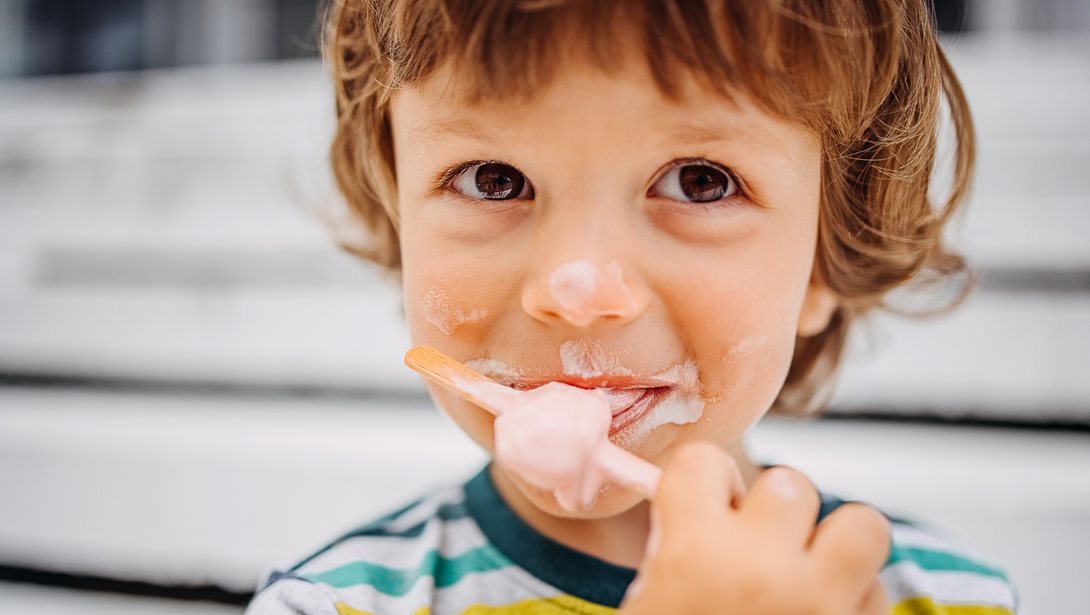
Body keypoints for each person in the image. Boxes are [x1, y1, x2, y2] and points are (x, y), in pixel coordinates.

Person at [247, 0, 1018, 612]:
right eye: (493, 179)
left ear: (825, 254)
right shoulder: (333, 603)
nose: (577, 291)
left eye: (699, 182)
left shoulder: (945, 600)